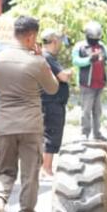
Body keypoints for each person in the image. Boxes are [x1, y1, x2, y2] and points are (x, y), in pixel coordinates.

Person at [0, 15, 59, 212]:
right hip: (31, 127)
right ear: (32, 37)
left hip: (4, 125)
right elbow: (53, 88)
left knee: (5, 172)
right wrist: (41, 60)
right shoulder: (36, 62)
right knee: (30, 176)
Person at [40, 29, 72, 176]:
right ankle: (46, 168)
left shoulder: (45, 56)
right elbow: (63, 77)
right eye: (59, 41)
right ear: (54, 41)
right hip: (51, 102)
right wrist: (69, 72)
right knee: (51, 134)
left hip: (50, 102)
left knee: (48, 134)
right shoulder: (48, 57)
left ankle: (44, 167)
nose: (60, 44)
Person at [73, 21, 107, 142]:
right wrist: (89, 59)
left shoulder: (102, 46)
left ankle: (97, 133)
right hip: (87, 84)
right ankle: (84, 133)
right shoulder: (80, 46)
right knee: (86, 110)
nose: (95, 41)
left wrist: (103, 59)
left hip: (99, 83)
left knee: (98, 111)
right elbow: (76, 61)